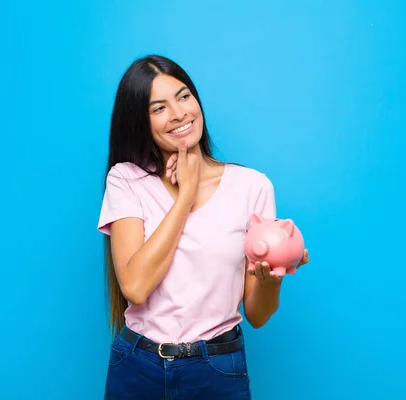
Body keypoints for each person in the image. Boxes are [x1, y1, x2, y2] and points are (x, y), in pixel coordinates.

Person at [97, 54, 309, 399]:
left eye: (184, 96)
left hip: (217, 369)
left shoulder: (252, 187)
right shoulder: (126, 180)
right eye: (159, 108)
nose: (180, 113)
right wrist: (187, 196)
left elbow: (257, 314)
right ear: (139, 120)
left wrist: (272, 280)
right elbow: (135, 287)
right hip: (137, 367)